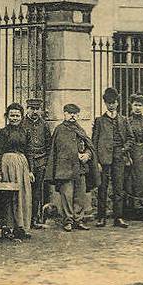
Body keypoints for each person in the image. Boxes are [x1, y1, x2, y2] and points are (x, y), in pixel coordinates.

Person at [45, 103, 98, 232]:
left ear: (78, 115)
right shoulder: (59, 130)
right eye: (69, 113)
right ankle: (68, 220)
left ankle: (78, 220)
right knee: (67, 196)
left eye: (75, 113)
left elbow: (89, 147)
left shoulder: (80, 129)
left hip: (80, 169)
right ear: (64, 114)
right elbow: (54, 150)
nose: (72, 115)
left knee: (80, 196)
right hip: (65, 169)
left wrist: (87, 155)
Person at [0, 102, 33, 240]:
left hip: (22, 166)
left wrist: (30, 171)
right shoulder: (1, 133)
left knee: (22, 196)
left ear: (21, 117)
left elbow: (29, 152)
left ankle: (20, 227)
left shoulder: (26, 132)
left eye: (17, 115)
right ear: (7, 116)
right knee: (7, 196)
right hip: (6, 165)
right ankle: (7, 227)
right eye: (12, 115)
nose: (14, 118)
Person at [92, 87, 132, 228]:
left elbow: (130, 139)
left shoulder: (124, 120)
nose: (111, 105)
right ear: (105, 103)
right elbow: (94, 142)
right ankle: (101, 217)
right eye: (109, 102)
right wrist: (96, 161)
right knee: (102, 187)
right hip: (103, 158)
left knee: (118, 188)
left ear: (117, 103)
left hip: (119, 157)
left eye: (114, 102)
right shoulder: (99, 121)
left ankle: (118, 218)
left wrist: (123, 149)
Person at [23, 98, 50, 229]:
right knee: (24, 191)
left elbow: (48, 143)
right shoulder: (22, 123)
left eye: (37, 109)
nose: (34, 111)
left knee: (37, 192)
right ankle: (24, 219)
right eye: (32, 108)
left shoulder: (44, 124)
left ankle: (34, 218)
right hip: (26, 162)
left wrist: (46, 161)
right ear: (27, 108)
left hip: (41, 161)